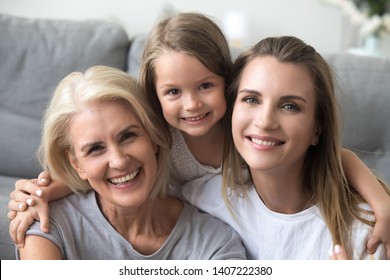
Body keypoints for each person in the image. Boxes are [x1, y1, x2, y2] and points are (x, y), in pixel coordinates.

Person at [8, 13, 390, 256]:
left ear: (227, 85)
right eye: (173, 92)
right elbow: (102, 165)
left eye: (205, 86)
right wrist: (38, 194)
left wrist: (380, 198)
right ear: (155, 102)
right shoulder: (158, 141)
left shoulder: (246, 133)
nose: (191, 105)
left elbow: (330, 155)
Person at [182, 36, 390, 259]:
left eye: (290, 106)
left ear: (317, 129)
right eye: (251, 99)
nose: (265, 121)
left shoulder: (367, 233)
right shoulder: (203, 198)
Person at [14, 65, 246, 260]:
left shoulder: (216, 244)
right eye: (95, 149)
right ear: (76, 164)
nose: (119, 160)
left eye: (128, 136)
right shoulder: (45, 221)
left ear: (153, 137)